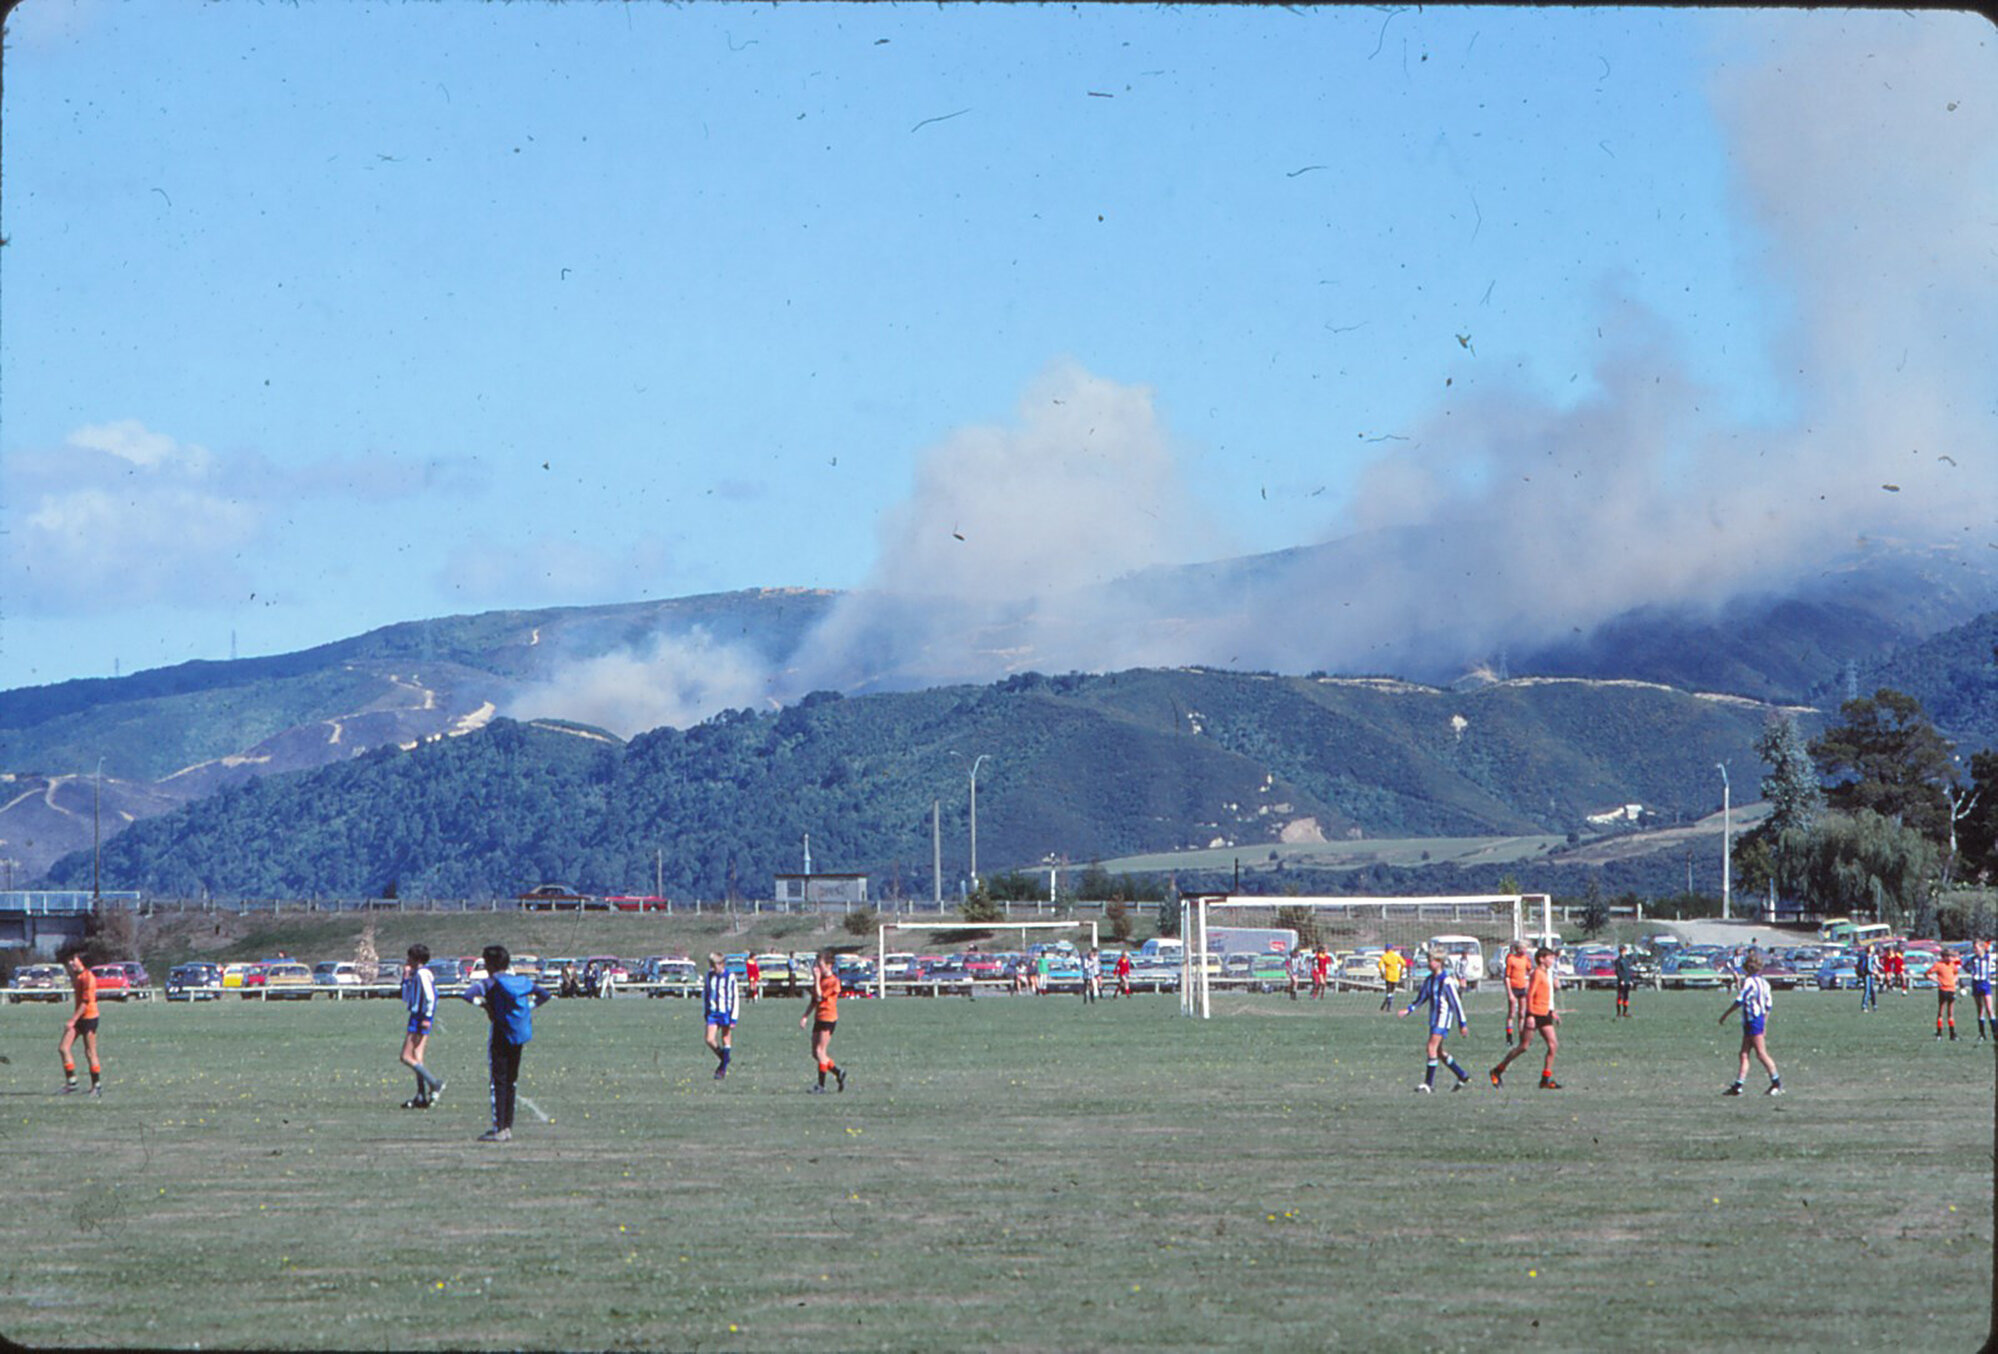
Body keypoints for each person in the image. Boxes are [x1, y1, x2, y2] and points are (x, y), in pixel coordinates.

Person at [459, 945, 551, 1143]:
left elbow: (467, 995)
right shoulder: (520, 981)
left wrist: (484, 1005)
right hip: (518, 1034)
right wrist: (528, 1008)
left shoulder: (490, 983)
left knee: (498, 1082)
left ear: (490, 964)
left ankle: (499, 1128)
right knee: (511, 1081)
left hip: (500, 1033)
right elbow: (545, 995)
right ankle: (508, 1126)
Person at [1399, 951, 1471, 1091]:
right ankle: (1462, 1074)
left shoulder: (1446, 981)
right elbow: (1422, 998)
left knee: (1431, 1048)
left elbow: (1456, 1003)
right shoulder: (1430, 980)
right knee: (1438, 1051)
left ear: (1439, 962)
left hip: (1442, 1020)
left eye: (1431, 960)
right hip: (1434, 1019)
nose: (1428, 963)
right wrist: (1409, 1009)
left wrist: (1462, 1023)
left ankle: (1428, 1084)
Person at [1491, 947, 1561, 1090]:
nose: (1552, 960)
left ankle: (1545, 1080)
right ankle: (1497, 1070)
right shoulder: (1537, 974)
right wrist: (1530, 1015)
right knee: (1524, 1046)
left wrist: (1552, 1011)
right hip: (1535, 1014)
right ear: (1542, 959)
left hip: (1544, 1013)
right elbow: (1530, 995)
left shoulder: (1546, 973)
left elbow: (1544, 995)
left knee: (1553, 1045)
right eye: (1550, 957)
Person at [1718, 951, 1782, 1096]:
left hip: (1752, 1020)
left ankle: (1776, 1083)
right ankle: (1738, 1085)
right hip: (1755, 1020)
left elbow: (1740, 1000)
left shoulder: (1750, 982)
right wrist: (1764, 1023)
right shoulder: (1764, 983)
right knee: (1743, 1054)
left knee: (1761, 1053)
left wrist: (1725, 1015)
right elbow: (1768, 1006)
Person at [399, 943, 445, 1109]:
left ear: (416, 959)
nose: (407, 960)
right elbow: (406, 998)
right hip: (416, 1015)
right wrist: (405, 979)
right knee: (417, 1057)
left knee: (405, 1057)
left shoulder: (423, 974)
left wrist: (426, 1016)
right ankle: (420, 1095)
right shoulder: (415, 975)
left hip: (419, 1018)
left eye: (409, 957)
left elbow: (431, 997)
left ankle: (434, 1083)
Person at [57, 948, 102, 1096]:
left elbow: (85, 1002)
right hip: (79, 1018)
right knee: (64, 1047)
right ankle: (72, 1083)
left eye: (73, 960)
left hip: (89, 1018)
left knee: (90, 1052)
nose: (71, 963)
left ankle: (96, 1085)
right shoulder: (78, 976)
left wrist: (72, 1020)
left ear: (81, 961)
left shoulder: (88, 977)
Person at [801, 949, 847, 1093]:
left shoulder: (834, 981)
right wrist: (805, 1016)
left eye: (820, 964)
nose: (818, 967)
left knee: (821, 1051)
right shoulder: (820, 980)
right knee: (816, 1053)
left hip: (828, 1018)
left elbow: (821, 997)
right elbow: (815, 1000)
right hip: (819, 1017)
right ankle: (838, 1072)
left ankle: (821, 1086)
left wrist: (816, 980)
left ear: (828, 965)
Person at [703, 952, 740, 1080]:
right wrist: (706, 1010)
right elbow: (706, 994)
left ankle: (722, 1069)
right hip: (713, 1013)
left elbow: (735, 997)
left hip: (726, 1012)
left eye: (715, 965)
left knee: (725, 1039)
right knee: (709, 1039)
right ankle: (724, 1058)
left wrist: (734, 1017)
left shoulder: (730, 977)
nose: (713, 967)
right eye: (711, 965)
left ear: (722, 964)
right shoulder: (709, 976)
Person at [1502, 940, 1533, 1043]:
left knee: (1522, 1013)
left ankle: (1521, 1036)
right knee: (1512, 1014)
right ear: (1518, 949)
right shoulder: (1511, 959)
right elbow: (1507, 977)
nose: (1524, 950)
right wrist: (1510, 993)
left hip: (1522, 988)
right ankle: (1509, 1036)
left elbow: (1530, 971)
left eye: (1525, 948)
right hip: (1513, 988)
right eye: (1523, 948)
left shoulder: (1526, 959)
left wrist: (1529, 981)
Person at [1931, 947, 1962, 1041]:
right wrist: (1937, 981)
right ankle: (1939, 1033)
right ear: (1943, 956)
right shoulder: (1938, 965)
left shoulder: (1953, 965)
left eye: (1951, 956)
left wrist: (1955, 981)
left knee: (1950, 1012)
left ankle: (1952, 1034)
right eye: (1947, 956)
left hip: (1951, 989)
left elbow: (1956, 973)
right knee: (1941, 1011)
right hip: (1943, 989)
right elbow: (1928, 973)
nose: (1949, 958)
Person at [1969, 938, 1996, 1041]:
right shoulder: (1972, 959)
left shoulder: (1989, 958)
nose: (1975, 950)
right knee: (1980, 1009)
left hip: (1985, 983)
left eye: (1976, 947)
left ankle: (1995, 1032)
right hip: (1976, 983)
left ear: (1982, 947)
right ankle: (1982, 1034)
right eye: (1974, 948)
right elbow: (1965, 966)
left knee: (1989, 1008)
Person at [1612, 944, 1640, 1018]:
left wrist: (1630, 980)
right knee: (1620, 996)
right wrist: (1621, 980)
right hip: (1622, 981)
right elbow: (1618, 971)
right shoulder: (1618, 961)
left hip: (1627, 981)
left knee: (1626, 997)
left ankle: (1625, 1012)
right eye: (1623, 951)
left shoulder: (1627, 960)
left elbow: (1629, 971)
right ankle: (1618, 1013)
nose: (1624, 952)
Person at [1377, 946, 1407, 1012]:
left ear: (1386, 949)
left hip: (1388, 976)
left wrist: (1382, 974)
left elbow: (1380, 966)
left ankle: (1388, 1007)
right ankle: (1383, 1006)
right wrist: (1401, 971)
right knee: (1391, 992)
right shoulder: (1396, 955)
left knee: (1389, 992)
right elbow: (1404, 963)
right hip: (1396, 976)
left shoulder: (1385, 956)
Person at [1855, 944, 1877, 1012]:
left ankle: (1874, 1005)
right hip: (1867, 975)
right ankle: (1864, 1005)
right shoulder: (1865, 957)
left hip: (1871, 975)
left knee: (1872, 990)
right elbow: (1866, 967)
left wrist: (1875, 971)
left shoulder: (1872, 957)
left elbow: (1873, 965)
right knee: (1867, 990)